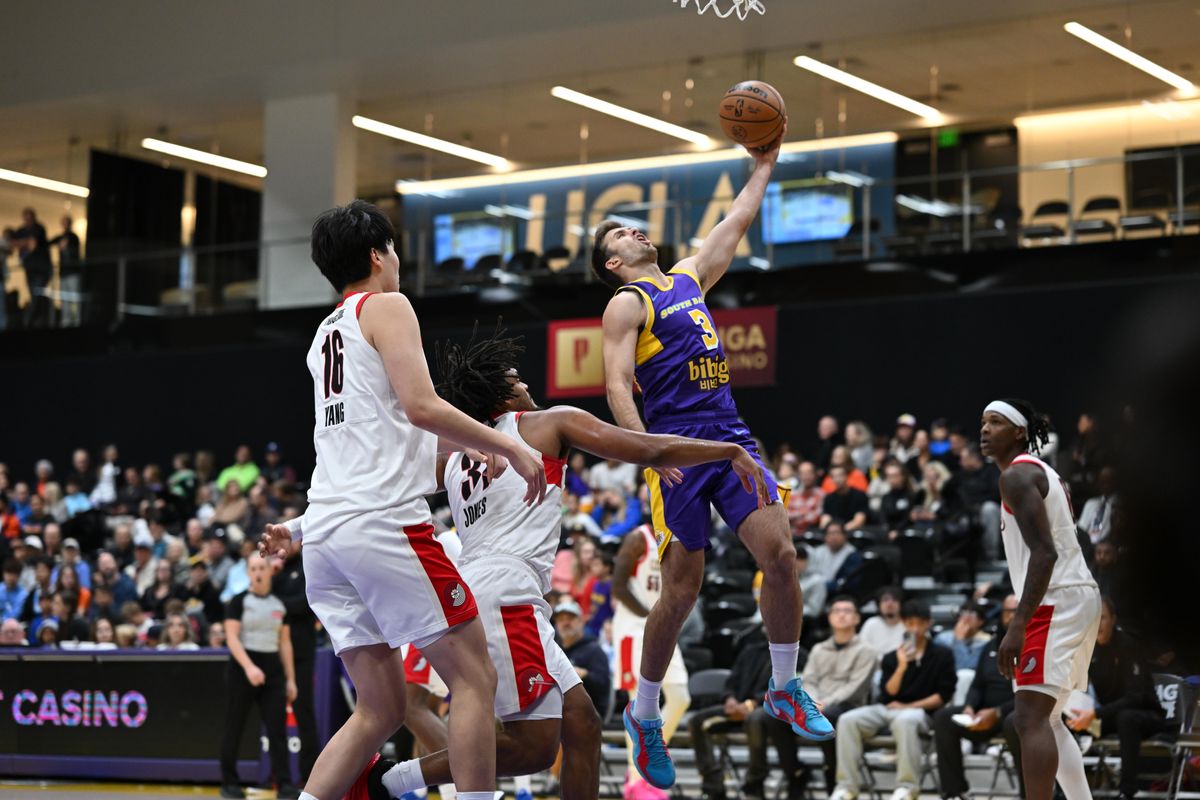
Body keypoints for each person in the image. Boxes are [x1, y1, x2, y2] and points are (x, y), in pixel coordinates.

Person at [373, 327, 770, 800]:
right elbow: (647, 447)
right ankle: (392, 780)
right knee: (536, 749)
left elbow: (390, 480)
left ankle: (396, 779)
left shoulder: (460, 455)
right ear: (503, 391)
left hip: (492, 591)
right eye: (518, 380)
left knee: (581, 723)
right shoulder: (548, 423)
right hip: (508, 594)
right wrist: (727, 449)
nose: (528, 387)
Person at [256, 199, 548, 800]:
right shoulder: (387, 305)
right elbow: (420, 404)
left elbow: (375, 443)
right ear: (376, 255)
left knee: (380, 708)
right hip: (383, 530)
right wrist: (511, 446)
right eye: (393, 251)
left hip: (330, 541)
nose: (397, 263)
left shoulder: (323, 336)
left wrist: (303, 526)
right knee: (473, 675)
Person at [594, 118, 832, 791]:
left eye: (634, 228)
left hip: (730, 442)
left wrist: (764, 162)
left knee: (781, 556)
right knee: (682, 591)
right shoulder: (626, 303)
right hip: (676, 452)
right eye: (621, 235)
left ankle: (785, 686)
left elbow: (737, 219)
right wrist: (646, 451)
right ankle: (644, 718)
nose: (636, 232)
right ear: (613, 262)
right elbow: (614, 385)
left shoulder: (690, 278)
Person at [981, 398, 1101, 800]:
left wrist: (1017, 624)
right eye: (983, 422)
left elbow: (1044, 553)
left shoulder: (1016, 477)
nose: (984, 429)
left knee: (1029, 719)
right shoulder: (1037, 472)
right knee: (1046, 720)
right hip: (1074, 596)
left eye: (996, 422)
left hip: (1057, 600)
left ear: (1019, 432)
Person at [829, 599, 957, 800]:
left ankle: (907, 787)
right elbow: (888, 693)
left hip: (921, 713)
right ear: (904, 624)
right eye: (910, 623)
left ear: (928, 623)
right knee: (847, 720)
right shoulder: (892, 657)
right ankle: (846, 787)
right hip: (888, 708)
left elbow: (942, 696)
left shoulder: (942, 654)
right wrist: (901, 667)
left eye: (919, 623)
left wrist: (908, 706)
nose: (914, 628)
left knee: (904, 719)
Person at [613, 524, 692, 800]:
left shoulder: (680, 535)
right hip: (634, 627)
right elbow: (618, 586)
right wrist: (653, 615)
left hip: (663, 628)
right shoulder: (639, 538)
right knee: (638, 702)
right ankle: (636, 784)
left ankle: (645, 764)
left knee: (681, 696)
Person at [687, 622, 807, 800]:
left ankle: (754, 782)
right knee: (696, 721)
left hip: (771, 710)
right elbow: (731, 681)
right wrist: (729, 699)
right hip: (738, 706)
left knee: (755, 718)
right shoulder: (750, 651)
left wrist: (752, 704)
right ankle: (713, 783)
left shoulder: (799, 655)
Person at [1065, 596, 1169, 800]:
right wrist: (1077, 710)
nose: (1098, 624)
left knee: (1126, 717)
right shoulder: (1089, 650)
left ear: (1113, 619)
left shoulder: (1128, 645)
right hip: (1109, 717)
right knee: (1065, 721)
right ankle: (1065, 791)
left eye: (1102, 618)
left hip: (1147, 717)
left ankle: (1127, 791)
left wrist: (1094, 713)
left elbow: (1135, 697)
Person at [220, 554, 298, 799]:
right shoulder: (238, 601)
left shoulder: (279, 605)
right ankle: (229, 782)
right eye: (253, 568)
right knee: (235, 725)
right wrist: (249, 668)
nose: (257, 572)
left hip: (272, 669)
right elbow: (232, 638)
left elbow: (285, 644)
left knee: (277, 729)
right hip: (243, 668)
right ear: (248, 573)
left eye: (261, 567)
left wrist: (291, 679)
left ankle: (284, 784)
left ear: (269, 570)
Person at [932, 594, 1021, 800]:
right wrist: (969, 707)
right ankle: (956, 791)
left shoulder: (1034, 645)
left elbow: (1030, 694)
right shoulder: (991, 646)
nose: (1012, 616)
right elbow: (977, 685)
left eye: (1018, 611)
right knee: (944, 718)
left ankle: (1029, 794)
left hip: (1014, 713)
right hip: (983, 714)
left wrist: (997, 713)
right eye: (1008, 611)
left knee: (1014, 722)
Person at [800, 596, 877, 794]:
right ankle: (795, 774)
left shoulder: (867, 651)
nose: (841, 615)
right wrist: (813, 703)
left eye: (847, 611)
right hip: (816, 706)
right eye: (837, 611)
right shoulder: (818, 649)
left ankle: (834, 780)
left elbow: (855, 687)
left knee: (828, 717)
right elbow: (809, 680)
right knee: (773, 716)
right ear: (829, 617)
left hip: (848, 707)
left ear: (857, 619)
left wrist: (823, 704)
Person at [933, 601, 989, 671]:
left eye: (972, 615)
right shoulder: (942, 638)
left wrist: (959, 640)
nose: (966, 618)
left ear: (980, 621)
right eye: (963, 613)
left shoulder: (985, 642)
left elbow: (965, 667)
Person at [49, 215, 82, 326]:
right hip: (63, 273)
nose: (64, 224)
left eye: (66, 222)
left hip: (73, 272)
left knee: (75, 298)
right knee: (65, 299)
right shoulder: (61, 237)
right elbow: (49, 243)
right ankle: (66, 322)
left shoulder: (73, 237)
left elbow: (72, 247)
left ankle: (78, 321)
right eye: (63, 222)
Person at [859, 586, 905, 657]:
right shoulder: (871, 623)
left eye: (894, 600)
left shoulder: (909, 625)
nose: (890, 604)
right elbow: (862, 652)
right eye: (885, 600)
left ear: (901, 604)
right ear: (878, 605)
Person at [819, 466, 869, 531]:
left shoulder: (860, 495)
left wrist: (840, 531)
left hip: (853, 533)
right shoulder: (828, 498)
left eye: (840, 475)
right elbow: (825, 520)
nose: (837, 479)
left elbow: (859, 521)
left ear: (846, 476)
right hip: (834, 534)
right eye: (834, 477)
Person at [785, 460, 824, 536]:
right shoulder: (792, 495)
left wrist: (796, 515)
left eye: (809, 473)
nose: (806, 476)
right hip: (792, 536)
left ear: (815, 475)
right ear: (799, 476)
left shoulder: (821, 494)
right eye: (803, 473)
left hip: (813, 535)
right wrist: (803, 512)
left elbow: (815, 517)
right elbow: (785, 515)